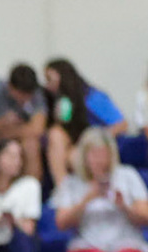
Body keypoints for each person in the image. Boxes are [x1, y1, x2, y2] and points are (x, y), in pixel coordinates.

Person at [51, 127, 148, 252]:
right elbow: (61, 222)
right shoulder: (72, 183)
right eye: (94, 155)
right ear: (84, 156)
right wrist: (87, 200)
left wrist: (124, 206)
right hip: (87, 244)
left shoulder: (128, 176)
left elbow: (147, 217)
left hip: (128, 242)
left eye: (103, 155)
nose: (99, 160)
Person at [42, 58, 126, 187]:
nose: (47, 85)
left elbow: (122, 125)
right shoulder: (58, 100)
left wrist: (93, 139)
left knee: (76, 156)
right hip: (75, 145)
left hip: (94, 145)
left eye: (49, 79)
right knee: (55, 135)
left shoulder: (92, 97)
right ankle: (63, 190)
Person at [0, 63, 48, 183]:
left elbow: (37, 129)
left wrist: (11, 131)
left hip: (19, 137)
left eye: (27, 96)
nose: (24, 99)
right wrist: (1, 123)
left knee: (31, 144)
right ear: (10, 87)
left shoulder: (36, 94)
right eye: (20, 95)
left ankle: (31, 190)